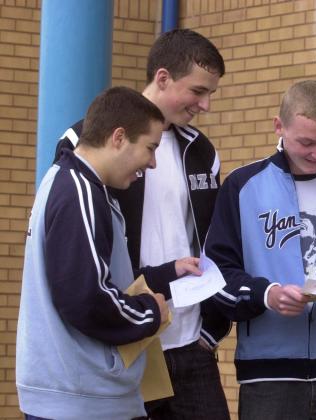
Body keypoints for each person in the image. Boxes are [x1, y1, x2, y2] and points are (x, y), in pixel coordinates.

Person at [54, 29, 231, 419]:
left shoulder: (201, 150)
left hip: (191, 346)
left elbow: (215, 241)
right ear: (163, 78)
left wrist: (211, 330)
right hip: (127, 343)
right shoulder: (86, 140)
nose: (205, 105)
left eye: (210, 94)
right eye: (198, 91)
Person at [202, 80, 316, 420]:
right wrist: (267, 295)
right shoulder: (242, 186)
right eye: (306, 142)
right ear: (279, 126)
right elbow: (216, 274)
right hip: (268, 375)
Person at [16, 86, 177, 419]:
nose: (153, 162)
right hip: (82, 399)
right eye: (150, 148)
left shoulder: (74, 185)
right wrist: (149, 313)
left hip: (77, 394)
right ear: (118, 137)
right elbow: (86, 297)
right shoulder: (79, 192)